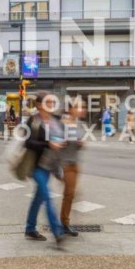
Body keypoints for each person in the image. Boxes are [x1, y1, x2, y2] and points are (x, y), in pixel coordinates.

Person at [24, 91, 66, 244]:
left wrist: (58, 169)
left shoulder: (56, 121)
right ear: (39, 105)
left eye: (52, 103)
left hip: (50, 165)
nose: (51, 105)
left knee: (39, 197)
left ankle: (30, 228)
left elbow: (60, 145)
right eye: (48, 103)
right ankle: (57, 232)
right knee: (47, 196)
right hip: (36, 165)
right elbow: (27, 143)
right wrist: (48, 144)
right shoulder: (33, 121)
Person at [59, 99, 87, 237]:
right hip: (65, 164)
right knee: (69, 193)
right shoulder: (62, 124)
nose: (81, 109)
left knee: (70, 194)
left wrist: (81, 143)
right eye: (78, 107)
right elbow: (55, 141)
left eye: (82, 107)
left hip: (75, 163)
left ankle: (64, 222)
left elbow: (80, 142)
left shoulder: (80, 124)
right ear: (70, 109)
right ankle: (63, 223)